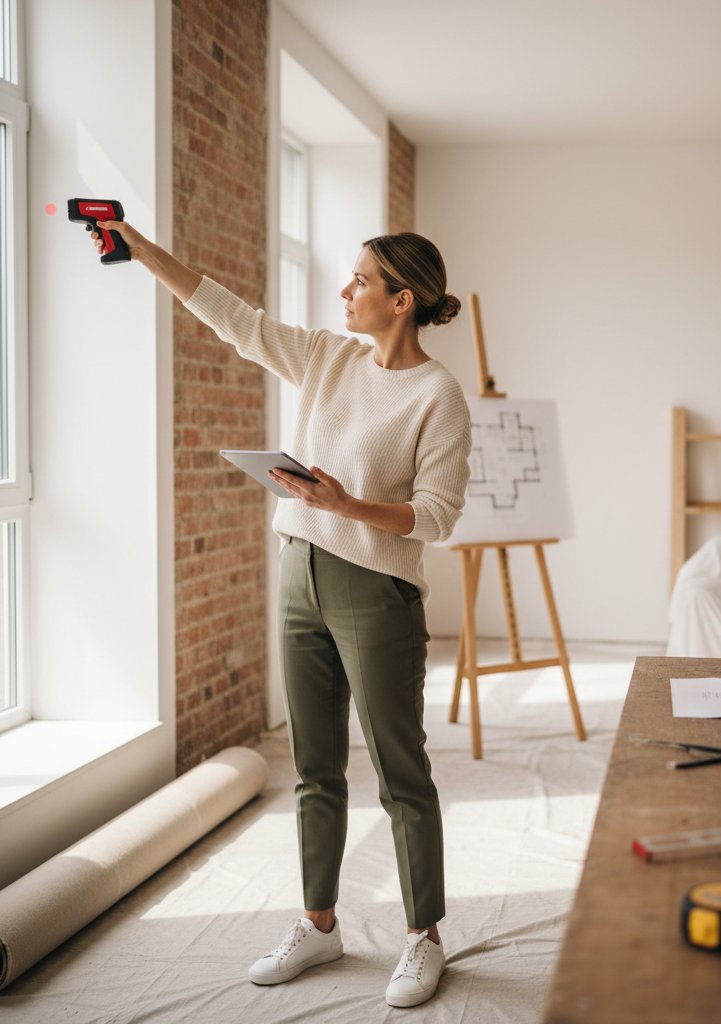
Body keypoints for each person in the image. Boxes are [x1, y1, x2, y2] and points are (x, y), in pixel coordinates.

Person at [90, 219, 472, 1008]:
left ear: (402, 300)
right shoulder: (329, 357)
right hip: (299, 572)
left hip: (377, 590)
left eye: (361, 280)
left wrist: (347, 504)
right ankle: (318, 922)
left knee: (401, 770)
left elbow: (436, 516)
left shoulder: (438, 395)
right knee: (313, 766)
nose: (346, 290)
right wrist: (141, 248)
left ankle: (423, 936)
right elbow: (233, 319)